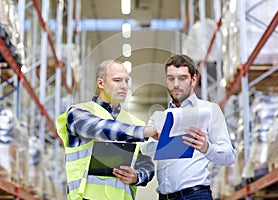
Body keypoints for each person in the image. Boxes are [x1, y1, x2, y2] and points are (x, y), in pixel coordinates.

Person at [56, 60, 160, 200]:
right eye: (117, 80)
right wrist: (144, 132)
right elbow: (103, 128)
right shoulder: (78, 114)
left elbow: (146, 164)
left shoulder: (135, 123)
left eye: (126, 81)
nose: (123, 86)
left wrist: (137, 176)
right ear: (101, 83)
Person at [140, 54, 235, 200]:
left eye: (182, 78)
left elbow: (229, 156)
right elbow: (144, 149)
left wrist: (206, 147)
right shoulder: (159, 117)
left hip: (195, 195)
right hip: (163, 197)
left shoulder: (210, 110)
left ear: (193, 79)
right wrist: (159, 139)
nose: (176, 84)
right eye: (171, 78)